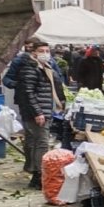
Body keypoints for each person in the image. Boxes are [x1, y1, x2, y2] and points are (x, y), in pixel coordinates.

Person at [15, 40, 66, 188]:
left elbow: (55, 86)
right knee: (41, 143)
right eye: (41, 51)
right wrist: (38, 112)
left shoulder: (45, 67)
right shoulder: (30, 69)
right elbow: (28, 92)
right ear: (34, 53)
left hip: (43, 110)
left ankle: (35, 174)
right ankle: (39, 175)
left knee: (34, 142)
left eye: (47, 51)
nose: (45, 54)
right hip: (37, 113)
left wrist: (60, 103)